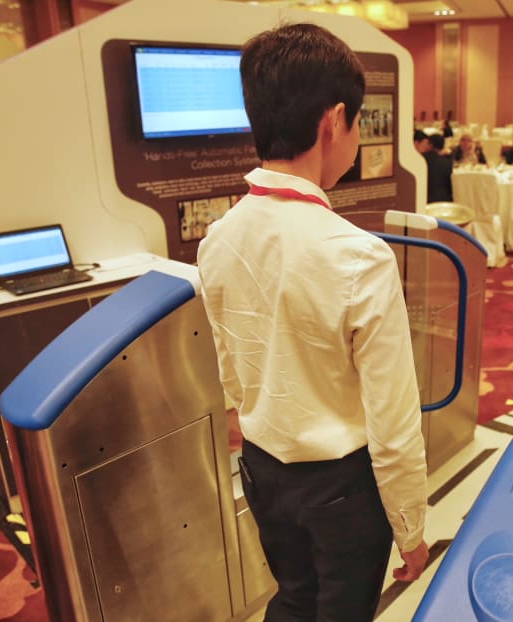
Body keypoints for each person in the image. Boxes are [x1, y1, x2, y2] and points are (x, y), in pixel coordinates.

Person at [196, 24, 428, 622]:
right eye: (357, 123)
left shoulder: (219, 237)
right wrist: (411, 525)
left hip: (264, 471)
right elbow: (393, 418)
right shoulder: (359, 256)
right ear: (335, 121)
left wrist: (238, 417)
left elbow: (227, 355)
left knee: (293, 599)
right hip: (343, 489)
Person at [424, 134, 453, 203]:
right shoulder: (448, 162)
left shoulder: (422, 159)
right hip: (445, 199)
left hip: (426, 198)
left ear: (431, 145)